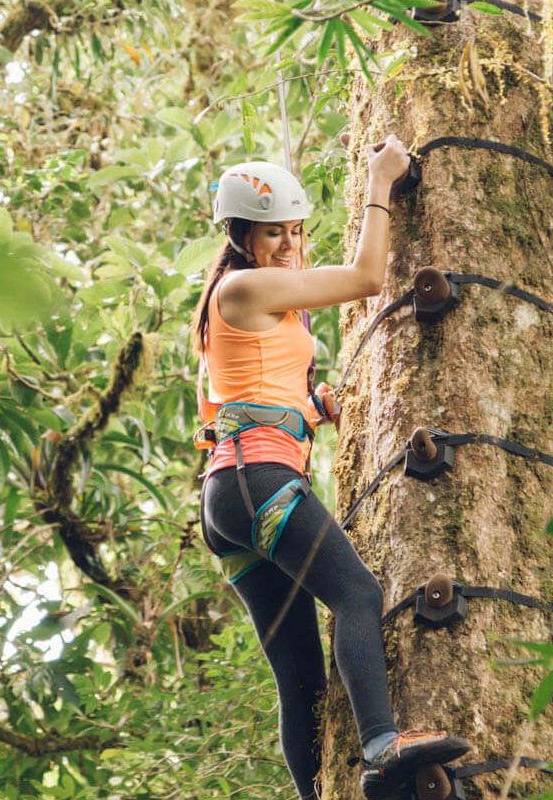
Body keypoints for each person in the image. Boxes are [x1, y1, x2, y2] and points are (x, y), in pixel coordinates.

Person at [190, 139, 472, 800]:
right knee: (357, 594)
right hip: (257, 484)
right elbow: (367, 279)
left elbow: (252, 393)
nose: (288, 246)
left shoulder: (236, 300)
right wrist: (380, 180)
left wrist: (314, 409)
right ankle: (379, 745)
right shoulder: (243, 284)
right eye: (272, 234)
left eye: (295, 231)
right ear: (239, 236)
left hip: (230, 496)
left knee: (298, 674)